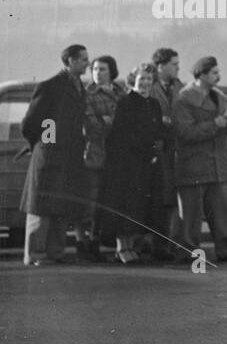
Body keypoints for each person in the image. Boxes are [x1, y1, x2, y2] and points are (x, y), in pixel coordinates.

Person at [19, 44, 90, 266]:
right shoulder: (50, 86)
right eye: (83, 59)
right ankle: (36, 255)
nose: (87, 63)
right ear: (69, 61)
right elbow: (30, 123)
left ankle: (55, 253)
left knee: (60, 208)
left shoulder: (79, 87)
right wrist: (44, 144)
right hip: (49, 157)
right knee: (41, 209)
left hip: (67, 157)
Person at [174, 56, 227, 264]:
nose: (218, 76)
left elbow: (225, 127)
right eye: (213, 72)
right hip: (193, 163)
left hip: (215, 163)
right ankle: (188, 250)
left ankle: (225, 249)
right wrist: (216, 123)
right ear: (201, 75)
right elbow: (185, 132)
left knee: (221, 209)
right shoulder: (184, 99)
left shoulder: (218, 96)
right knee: (191, 214)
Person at [100, 63, 165, 264]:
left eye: (148, 79)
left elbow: (158, 130)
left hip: (146, 163)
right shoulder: (126, 102)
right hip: (127, 164)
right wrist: (148, 147)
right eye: (141, 79)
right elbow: (122, 134)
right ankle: (122, 248)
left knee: (139, 206)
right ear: (132, 82)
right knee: (126, 205)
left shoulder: (154, 104)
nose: (145, 83)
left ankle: (131, 247)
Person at [78, 55, 126, 261]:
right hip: (94, 153)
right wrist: (113, 123)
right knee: (90, 201)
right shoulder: (87, 94)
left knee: (109, 201)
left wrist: (108, 121)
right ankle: (86, 245)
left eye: (103, 69)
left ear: (112, 71)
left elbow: (129, 121)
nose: (97, 73)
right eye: (95, 69)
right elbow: (90, 126)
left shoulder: (121, 93)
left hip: (116, 156)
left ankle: (98, 241)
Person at [148, 47, 184, 258]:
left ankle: (171, 244)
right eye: (174, 65)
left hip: (175, 151)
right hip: (157, 151)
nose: (178, 69)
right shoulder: (149, 86)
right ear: (160, 66)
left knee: (171, 200)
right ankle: (158, 245)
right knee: (158, 200)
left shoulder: (181, 87)